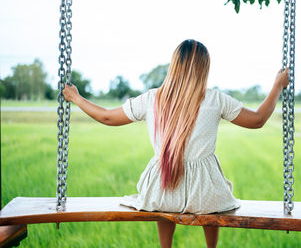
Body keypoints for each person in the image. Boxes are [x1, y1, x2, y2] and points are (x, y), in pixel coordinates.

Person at [63, 39, 289, 248]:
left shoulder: (152, 99)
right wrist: (277, 85)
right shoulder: (215, 99)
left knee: (166, 192)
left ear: (174, 65)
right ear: (204, 68)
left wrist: (76, 98)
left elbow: (107, 117)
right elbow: (258, 120)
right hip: (206, 193)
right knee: (212, 199)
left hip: (160, 191)